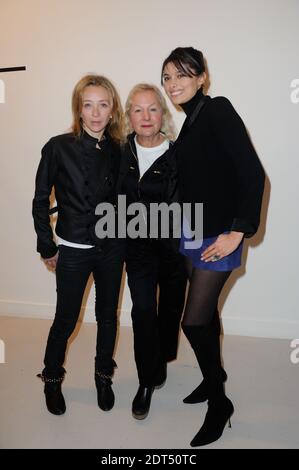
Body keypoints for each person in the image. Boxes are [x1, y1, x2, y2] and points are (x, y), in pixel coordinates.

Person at [161, 47, 265, 446]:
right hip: (192, 234)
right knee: (206, 318)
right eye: (167, 77)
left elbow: (252, 173)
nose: (173, 84)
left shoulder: (218, 109)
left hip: (218, 235)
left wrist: (239, 231)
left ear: (202, 77)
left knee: (193, 321)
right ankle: (212, 378)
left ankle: (219, 404)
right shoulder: (190, 121)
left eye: (182, 75)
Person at [32, 74, 125, 415]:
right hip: (72, 250)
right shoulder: (58, 146)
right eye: (88, 105)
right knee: (65, 321)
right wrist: (47, 246)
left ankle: (103, 377)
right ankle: (52, 378)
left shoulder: (120, 149)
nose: (96, 113)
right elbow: (41, 200)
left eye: (103, 104)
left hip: (112, 250)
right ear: (79, 110)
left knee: (108, 318)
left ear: (113, 109)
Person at [118, 84, 187, 420]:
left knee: (170, 311)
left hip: (173, 248)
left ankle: (160, 360)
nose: (146, 117)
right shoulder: (120, 152)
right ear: (129, 116)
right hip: (138, 248)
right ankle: (146, 381)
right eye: (138, 110)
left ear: (163, 113)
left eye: (153, 109)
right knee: (143, 310)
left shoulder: (178, 153)